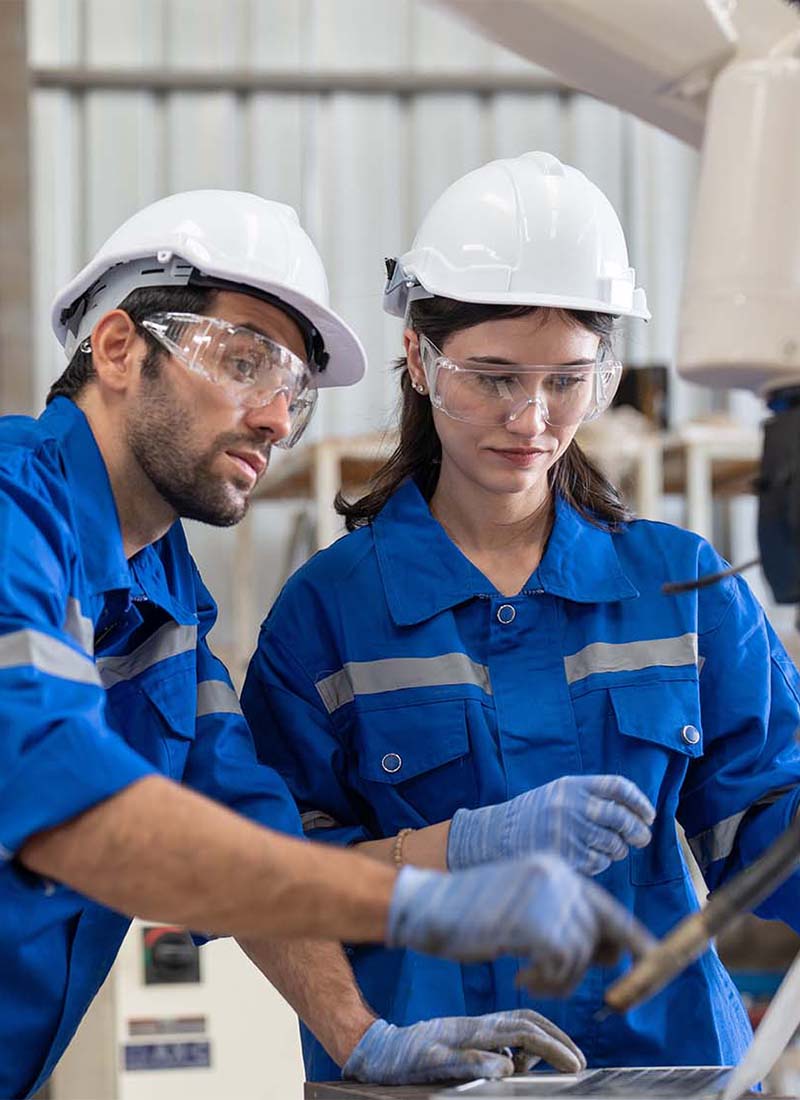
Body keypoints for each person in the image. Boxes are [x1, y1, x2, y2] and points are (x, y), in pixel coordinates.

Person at [0, 188, 652, 1099]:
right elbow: (64, 808)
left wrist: (360, 1036)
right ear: (116, 348)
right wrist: (420, 899)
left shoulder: (164, 591)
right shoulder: (11, 515)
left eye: (294, 393)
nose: (274, 420)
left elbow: (240, 833)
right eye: (242, 362)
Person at [242, 151, 800, 1081]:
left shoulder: (678, 587)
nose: (531, 419)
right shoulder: (330, 613)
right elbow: (270, 875)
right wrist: (450, 853)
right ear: (419, 361)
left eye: (568, 380)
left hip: (672, 1067)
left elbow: (763, 830)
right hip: (435, 1071)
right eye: (491, 377)